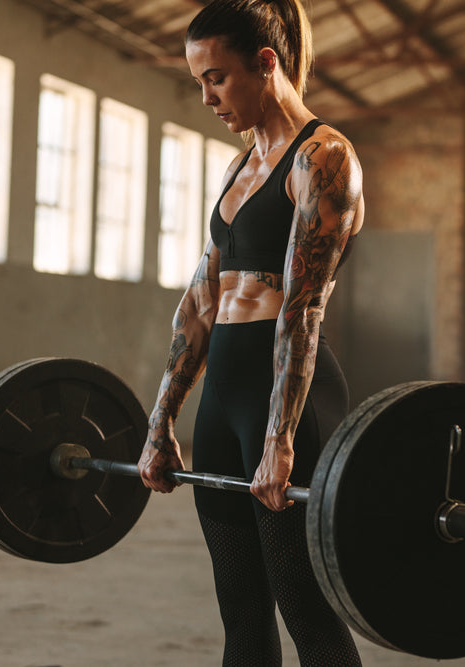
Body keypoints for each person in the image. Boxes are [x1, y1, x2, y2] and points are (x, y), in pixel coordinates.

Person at [138, 0, 364, 664]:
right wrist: (161, 419)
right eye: (199, 82)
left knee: (307, 612)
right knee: (240, 609)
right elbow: (200, 302)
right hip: (224, 404)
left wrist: (280, 437)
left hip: (286, 403)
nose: (207, 97)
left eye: (217, 78)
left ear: (266, 63)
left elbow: (303, 305)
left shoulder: (323, 159)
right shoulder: (241, 169)